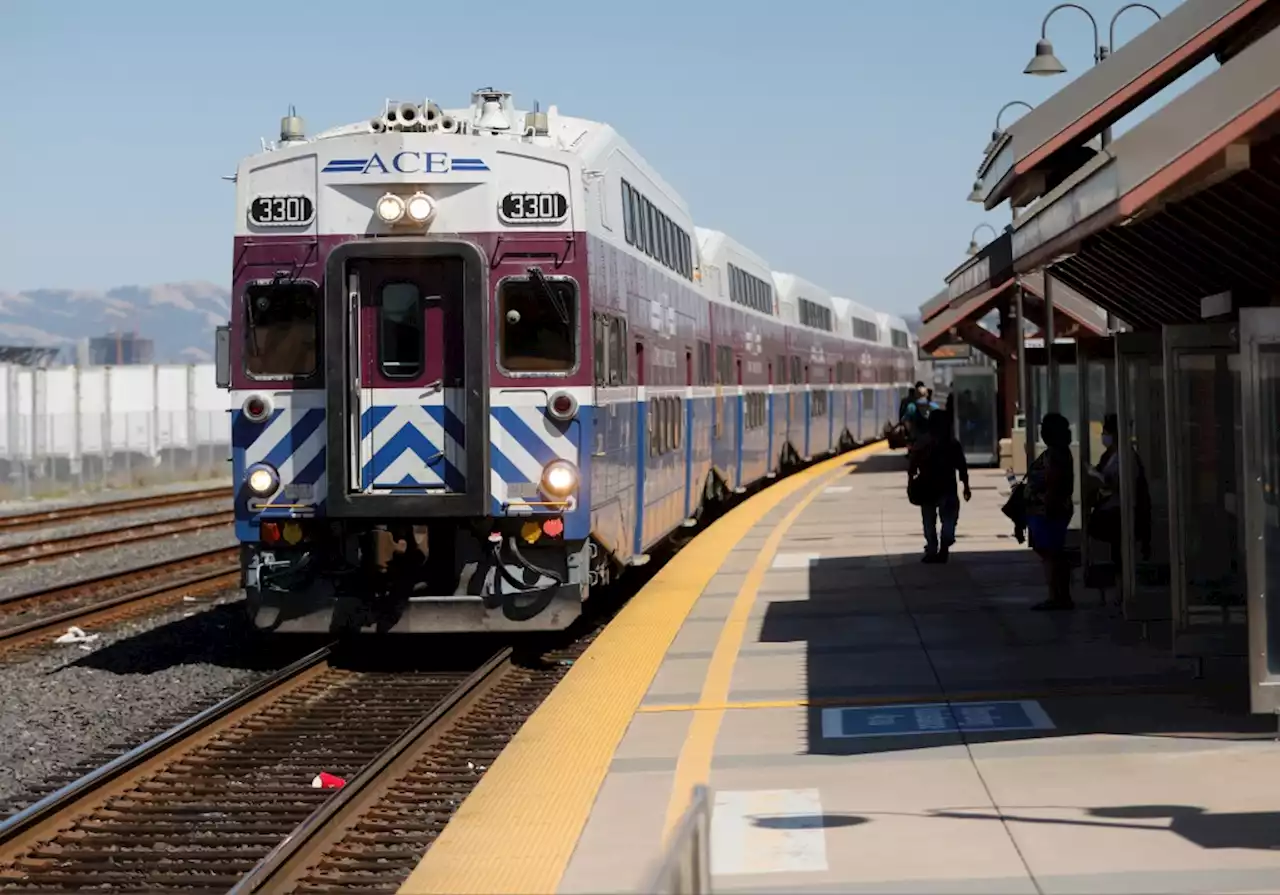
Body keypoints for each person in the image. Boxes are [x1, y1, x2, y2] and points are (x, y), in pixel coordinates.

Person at [1086, 414, 1152, 579]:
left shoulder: (1127, 457)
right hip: (1112, 508)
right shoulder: (1109, 455)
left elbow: (1126, 486)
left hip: (1122, 511)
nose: (1104, 436)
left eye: (1106, 432)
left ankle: (1122, 585)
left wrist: (1104, 482)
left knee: (1119, 551)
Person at [1023, 412, 1075, 609]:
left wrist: (1049, 506)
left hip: (1050, 510)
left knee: (1052, 554)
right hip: (1050, 509)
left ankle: (1057, 596)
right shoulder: (1060, 453)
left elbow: (1053, 482)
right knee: (1052, 553)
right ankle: (1060, 594)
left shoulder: (1056, 455)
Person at [908, 410, 971, 563]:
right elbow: (962, 467)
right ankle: (945, 542)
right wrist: (966, 486)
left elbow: (912, 466)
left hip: (927, 488)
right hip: (947, 487)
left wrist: (911, 480)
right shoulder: (953, 444)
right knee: (949, 518)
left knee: (928, 520)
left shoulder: (923, 443)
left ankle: (931, 549)